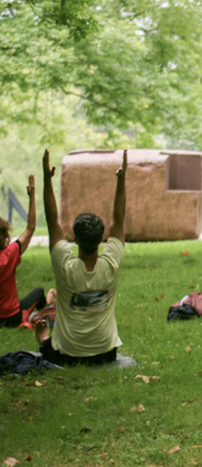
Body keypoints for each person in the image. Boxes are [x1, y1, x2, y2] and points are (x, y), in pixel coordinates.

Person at [35, 149, 127, 366]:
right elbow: (119, 219)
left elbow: (52, 220)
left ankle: (43, 338)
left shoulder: (64, 266)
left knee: (46, 343)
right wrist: (121, 180)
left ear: (75, 240)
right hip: (106, 353)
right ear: (102, 239)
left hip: (67, 354)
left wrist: (47, 179)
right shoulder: (112, 263)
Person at [1, 175, 50, 328]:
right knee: (39, 292)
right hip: (12, 317)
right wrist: (32, 197)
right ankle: (46, 305)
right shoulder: (10, 253)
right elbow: (30, 228)